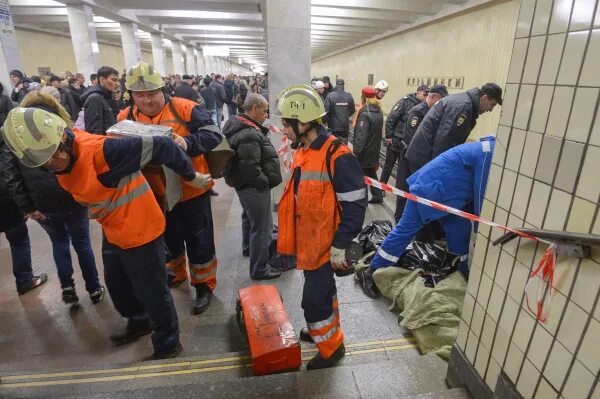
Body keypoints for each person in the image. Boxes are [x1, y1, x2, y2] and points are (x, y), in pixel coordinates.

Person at [2, 106, 212, 360]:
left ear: (65, 138)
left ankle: (168, 343)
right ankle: (139, 320)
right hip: (114, 227)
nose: (52, 162)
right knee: (117, 284)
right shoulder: (51, 159)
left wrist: (191, 176)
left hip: (141, 229)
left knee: (152, 290)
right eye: (44, 161)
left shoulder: (105, 152)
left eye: (55, 154)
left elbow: (163, 146)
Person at [118, 61, 222, 315]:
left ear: (162, 90)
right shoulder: (125, 118)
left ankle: (203, 285)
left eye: (152, 94)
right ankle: (177, 273)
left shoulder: (186, 109)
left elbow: (213, 134)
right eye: (140, 95)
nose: (147, 101)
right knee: (169, 238)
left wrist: (186, 143)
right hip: (154, 194)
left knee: (199, 240)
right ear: (131, 95)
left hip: (191, 190)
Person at [275, 84, 367, 369]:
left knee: (313, 302)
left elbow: (356, 206)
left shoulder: (337, 155)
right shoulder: (305, 148)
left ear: (303, 123)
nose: (283, 129)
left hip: (327, 244)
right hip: (310, 241)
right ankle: (322, 330)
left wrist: (340, 245)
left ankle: (331, 348)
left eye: (286, 123)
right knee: (323, 293)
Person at [360, 137, 496, 298]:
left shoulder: (487, 148)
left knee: (460, 235)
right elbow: (481, 192)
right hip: (428, 191)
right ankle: (371, 271)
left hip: (451, 198)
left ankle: (460, 274)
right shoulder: (489, 153)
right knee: (405, 231)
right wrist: (483, 229)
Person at [3, 91, 104, 304]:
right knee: (82, 243)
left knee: (58, 242)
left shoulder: (16, 137)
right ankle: (94, 288)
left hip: (43, 205)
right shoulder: (61, 127)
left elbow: (12, 176)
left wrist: (28, 206)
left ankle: (67, 286)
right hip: (71, 197)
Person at [222, 94, 282, 280]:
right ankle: (260, 269)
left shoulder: (240, 125)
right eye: (264, 111)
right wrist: (265, 183)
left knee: (248, 218)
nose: (265, 115)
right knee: (262, 228)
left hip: (244, 185)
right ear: (254, 108)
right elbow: (251, 168)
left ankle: (249, 249)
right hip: (253, 187)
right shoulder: (248, 133)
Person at [406, 83, 503, 172]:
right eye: (492, 105)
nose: (490, 109)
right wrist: (439, 168)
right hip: (424, 158)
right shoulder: (463, 107)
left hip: (424, 156)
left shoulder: (465, 103)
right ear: (485, 98)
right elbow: (444, 140)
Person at [394, 84, 449, 222]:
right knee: (404, 188)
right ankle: (399, 219)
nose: (441, 104)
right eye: (440, 100)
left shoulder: (435, 111)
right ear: (434, 96)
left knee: (417, 190)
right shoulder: (418, 111)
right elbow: (412, 137)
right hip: (410, 156)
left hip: (422, 159)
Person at [380, 84, 429, 185]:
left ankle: (399, 191)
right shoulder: (405, 102)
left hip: (408, 144)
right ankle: (381, 188)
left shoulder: (425, 107)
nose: (426, 98)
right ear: (418, 92)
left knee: (402, 171)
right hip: (396, 140)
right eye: (424, 95)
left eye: (427, 95)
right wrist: (389, 136)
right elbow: (391, 118)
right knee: (388, 166)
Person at [353, 86, 384, 205]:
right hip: (374, 150)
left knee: (360, 177)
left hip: (364, 153)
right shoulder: (378, 111)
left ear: (363, 97)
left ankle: (361, 200)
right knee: (371, 174)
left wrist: (356, 152)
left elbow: (361, 136)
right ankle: (377, 196)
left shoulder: (365, 113)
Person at [81, 66, 120, 134]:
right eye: (114, 80)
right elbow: (94, 131)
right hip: (104, 142)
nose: (118, 84)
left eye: (118, 80)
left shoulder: (108, 95)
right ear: (101, 79)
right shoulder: (94, 98)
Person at [323, 78, 355, 144]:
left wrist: (324, 121)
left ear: (336, 84)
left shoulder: (330, 96)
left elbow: (326, 111)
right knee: (344, 145)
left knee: (333, 145)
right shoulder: (349, 96)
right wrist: (345, 115)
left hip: (333, 126)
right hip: (344, 126)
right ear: (343, 85)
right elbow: (352, 110)